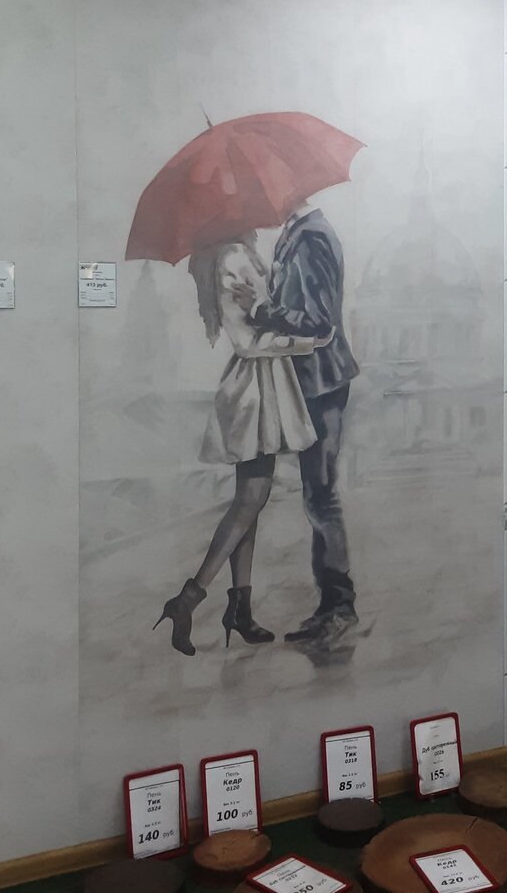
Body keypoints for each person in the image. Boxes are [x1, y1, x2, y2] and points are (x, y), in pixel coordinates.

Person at [154, 234, 333, 657]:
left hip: (262, 387)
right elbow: (248, 342)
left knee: (249, 501)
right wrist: (308, 342)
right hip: (255, 391)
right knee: (251, 499)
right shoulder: (233, 258)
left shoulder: (240, 255)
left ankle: (240, 609)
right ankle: (188, 599)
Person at [234, 197, 359, 648]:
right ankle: (330, 607)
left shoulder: (312, 238)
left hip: (321, 383)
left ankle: (339, 608)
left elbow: (318, 321)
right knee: (316, 495)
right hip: (311, 381)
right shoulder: (298, 235)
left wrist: (261, 309)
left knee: (321, 496)